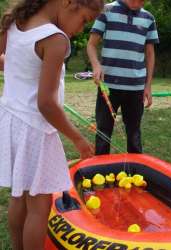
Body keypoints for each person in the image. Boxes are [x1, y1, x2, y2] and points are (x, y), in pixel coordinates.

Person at [0, 0, 103, 249]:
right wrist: (77, 137)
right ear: (68, 3)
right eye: (84, 20)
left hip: (12, 121)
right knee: (39, 208)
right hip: (36, 129)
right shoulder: (55, 39)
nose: (80, 29)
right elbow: (46, 103)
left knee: (19, 197)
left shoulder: (16, 23)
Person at [87, 0, 159, 155]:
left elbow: (150, 54)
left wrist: (148, 86)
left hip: (136, 87)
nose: (138, 3)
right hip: (108, 87)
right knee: (103, 132)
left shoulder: (149, 18)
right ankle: (101, 173)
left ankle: (135, 173)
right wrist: (96, 65)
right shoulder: (106, 10)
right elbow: (91, 44)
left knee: (134, 134)